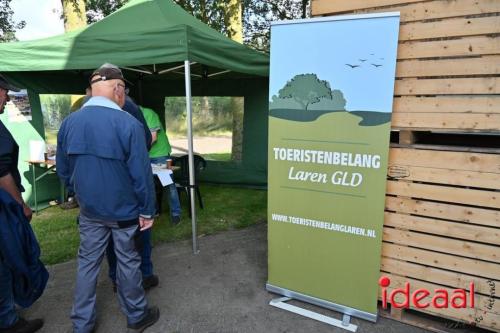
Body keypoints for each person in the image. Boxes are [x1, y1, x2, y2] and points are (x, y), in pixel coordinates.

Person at [56, 64, 159, 333]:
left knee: (87, 265)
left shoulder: (69, 123)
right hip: (123, 212)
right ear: (118, 89)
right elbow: (141, 174)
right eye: (123, 90)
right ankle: (136, 315)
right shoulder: (130, 124)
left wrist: (79, 193)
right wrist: (147, 210)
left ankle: (82, 324)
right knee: (128, 261)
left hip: (90, 211)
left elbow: (64, 170)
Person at [0, 75, 44, 333]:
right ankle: (8, 321)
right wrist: (21, 205)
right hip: (4, 206)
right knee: (7, 259)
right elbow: (2, 172)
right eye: (6, 93)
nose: (7, 100)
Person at [140, 105, 181, 224]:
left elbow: (153, 138)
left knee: (167, 184)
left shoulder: (148, 113)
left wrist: (137, 151)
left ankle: (175, 213)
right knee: (149, 185)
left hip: (159, 155)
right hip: (146, 155)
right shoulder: (128, 115)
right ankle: (154, 211)